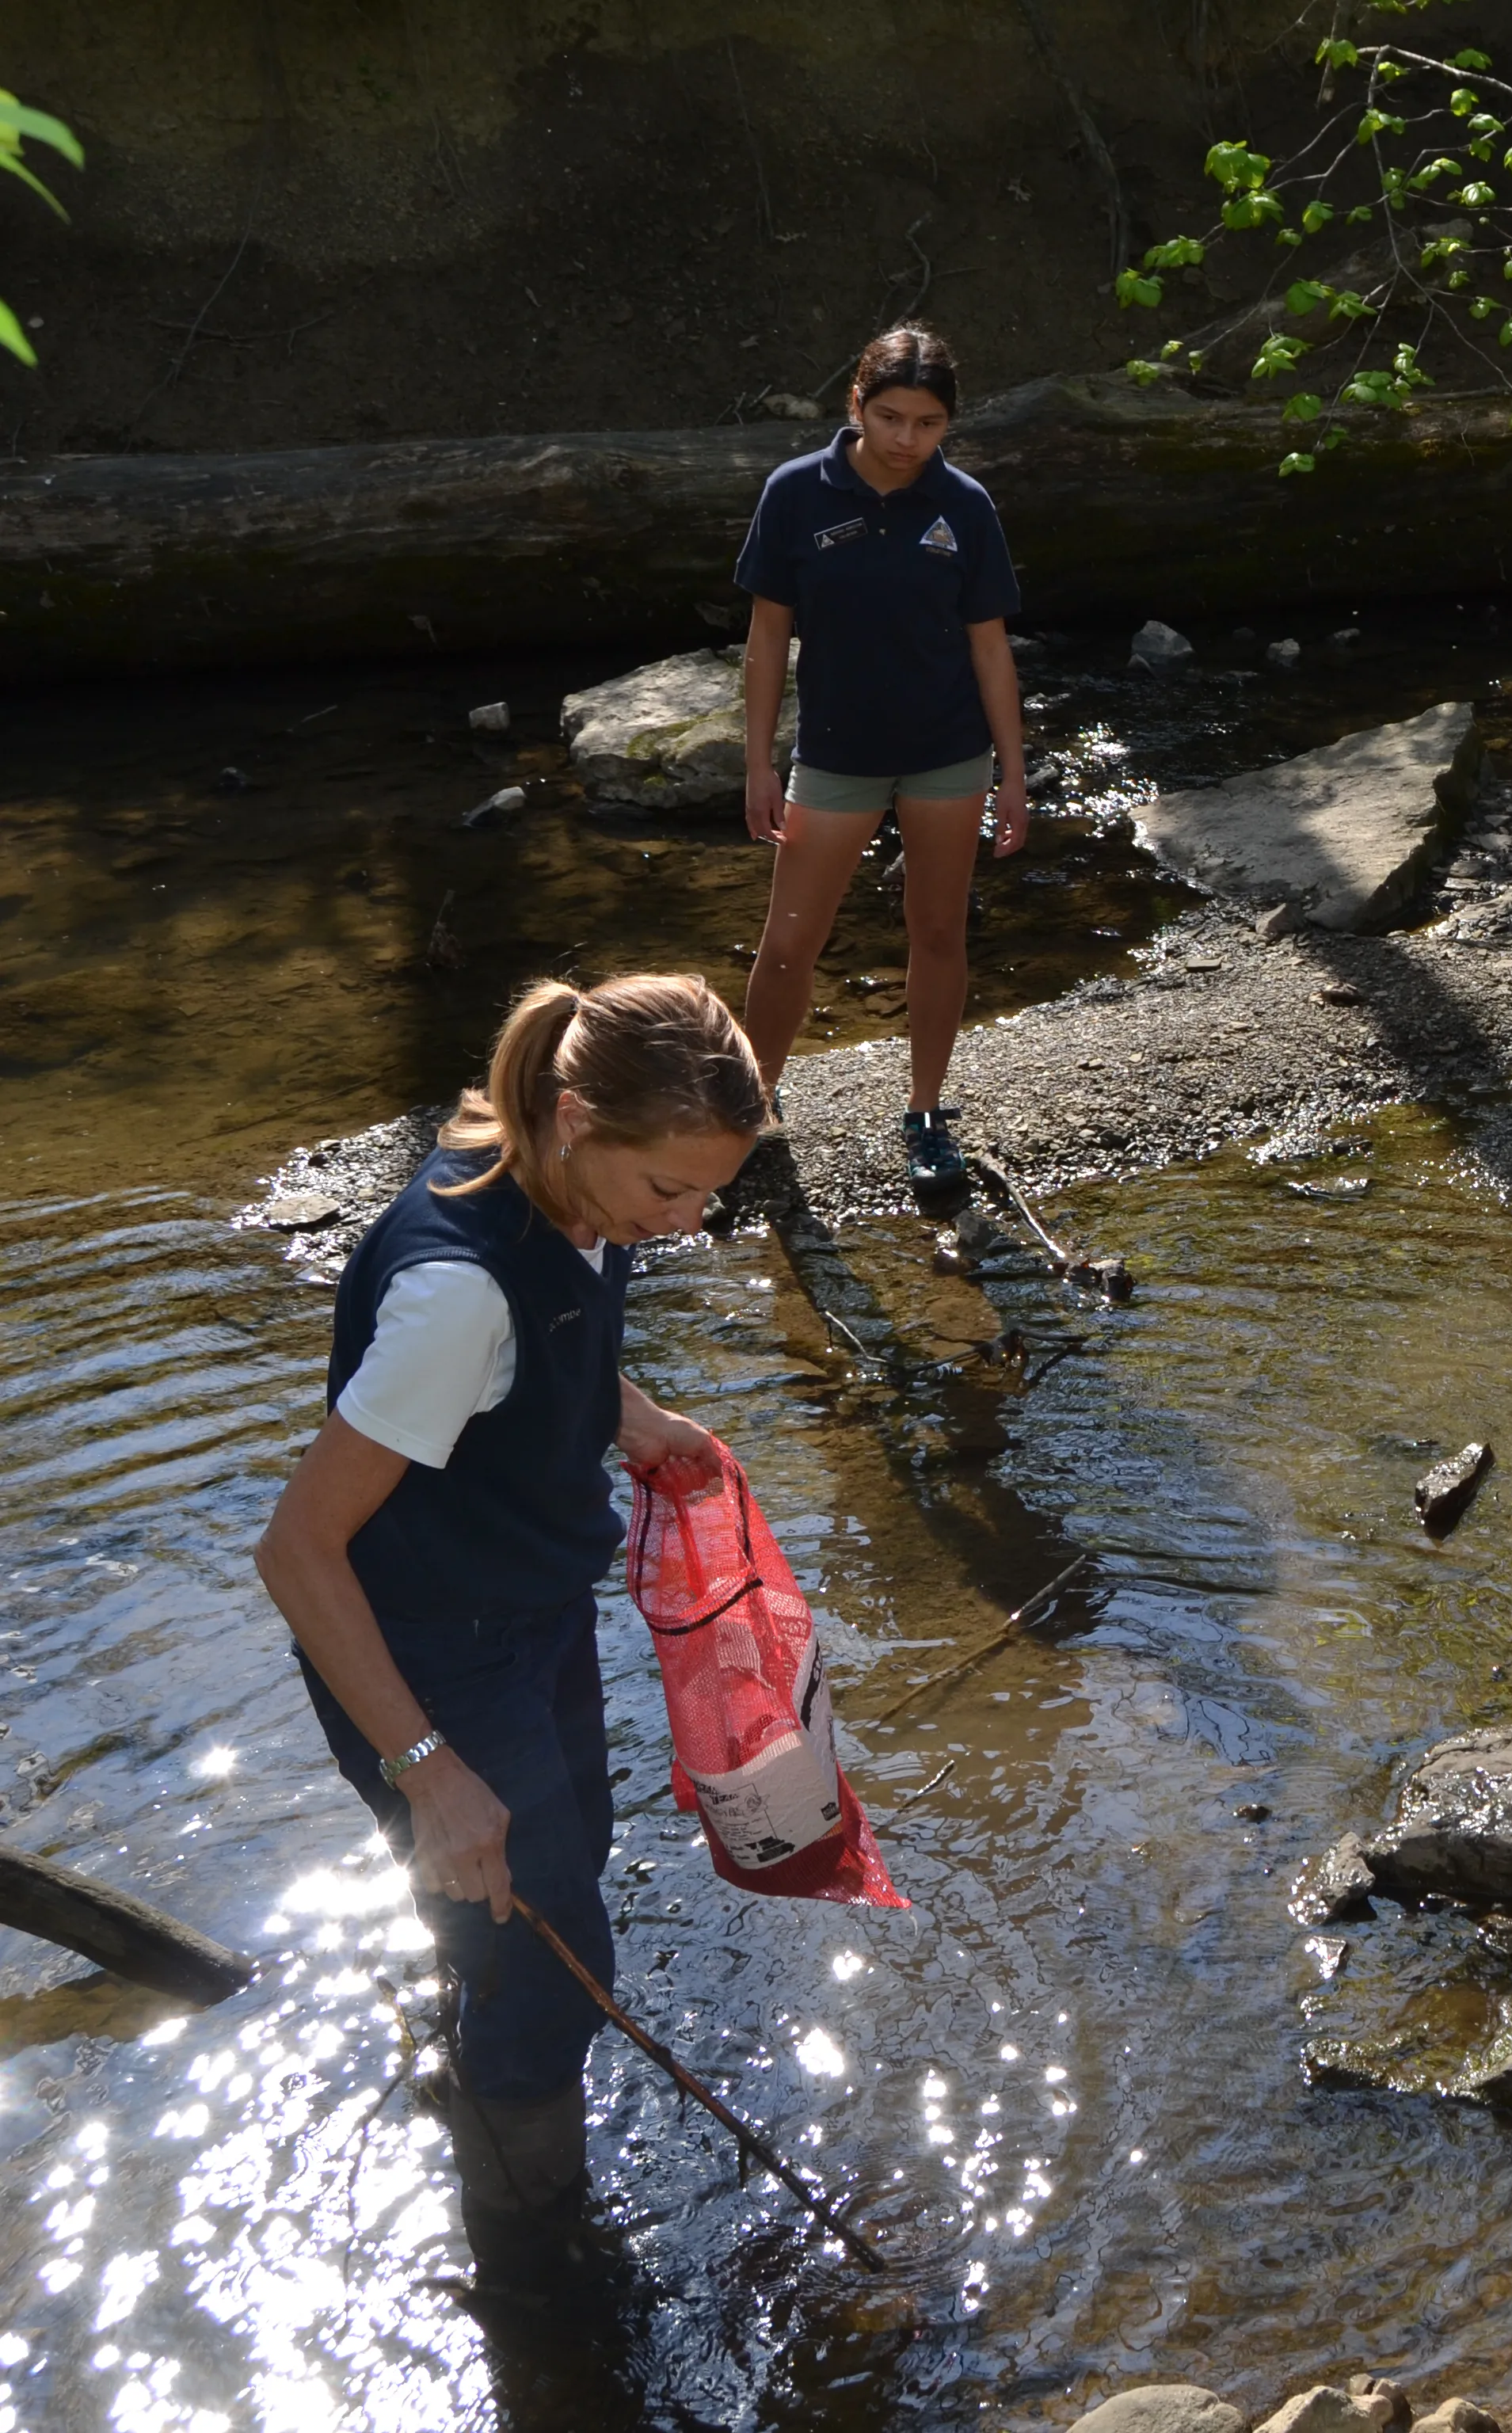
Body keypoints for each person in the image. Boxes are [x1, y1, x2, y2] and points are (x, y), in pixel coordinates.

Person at [254, 977, 766, 2290]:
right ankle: (529, 2246)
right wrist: (428, 1768)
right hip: (424, 1648)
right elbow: (298, 1551)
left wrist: (625, 1412)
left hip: (528, 1609)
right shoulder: (455, 1292)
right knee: (554, 1963)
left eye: (708, 1193)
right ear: (575, 1116)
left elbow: (550, 1338)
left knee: (556, 1873)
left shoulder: (562, 1184)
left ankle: (473, 2028)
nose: (688, 1221)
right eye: (671, 1192)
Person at [733, 324, 1027, 1197]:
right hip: (835, 755)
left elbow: (990, 649)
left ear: (948, 426)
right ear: (854, 405)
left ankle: (927, 1114)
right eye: (891, 417)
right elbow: (765, 636)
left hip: (947, 755)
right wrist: (757, 763)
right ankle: (755, 1103)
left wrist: (1013, 774)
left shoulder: (965, 506)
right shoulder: (796, 493)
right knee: (788, 945)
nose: (907, 440)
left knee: (937, 933)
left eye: (929, 423)